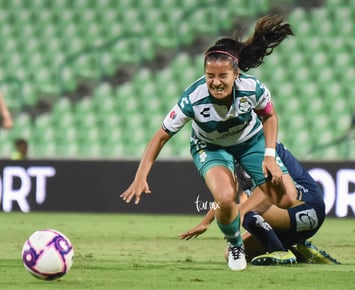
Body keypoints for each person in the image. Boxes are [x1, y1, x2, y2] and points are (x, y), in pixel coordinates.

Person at [120, 14, 294, 271]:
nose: (215, 82)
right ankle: (236, 243)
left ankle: (252, 216)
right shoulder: (193, 99)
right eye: (210, 75)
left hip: (249, 141)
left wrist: (269, 154)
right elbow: (160, 137)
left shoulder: (253, 89)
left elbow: (269, 115)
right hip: (210, 147)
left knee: (287, 198)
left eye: (222, 75)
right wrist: (141, 175)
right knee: (224, 197)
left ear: (236, 74)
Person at [180, 142, 340, 265]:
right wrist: (206, 222)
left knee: (245, 208)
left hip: (306, 205)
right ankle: (301, 251)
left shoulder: (261, 147)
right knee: (232, 253)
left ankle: (280, 252)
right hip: (288, 218)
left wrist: (242, 211)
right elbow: (224, 199)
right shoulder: (233, 156)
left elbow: (273, 190)